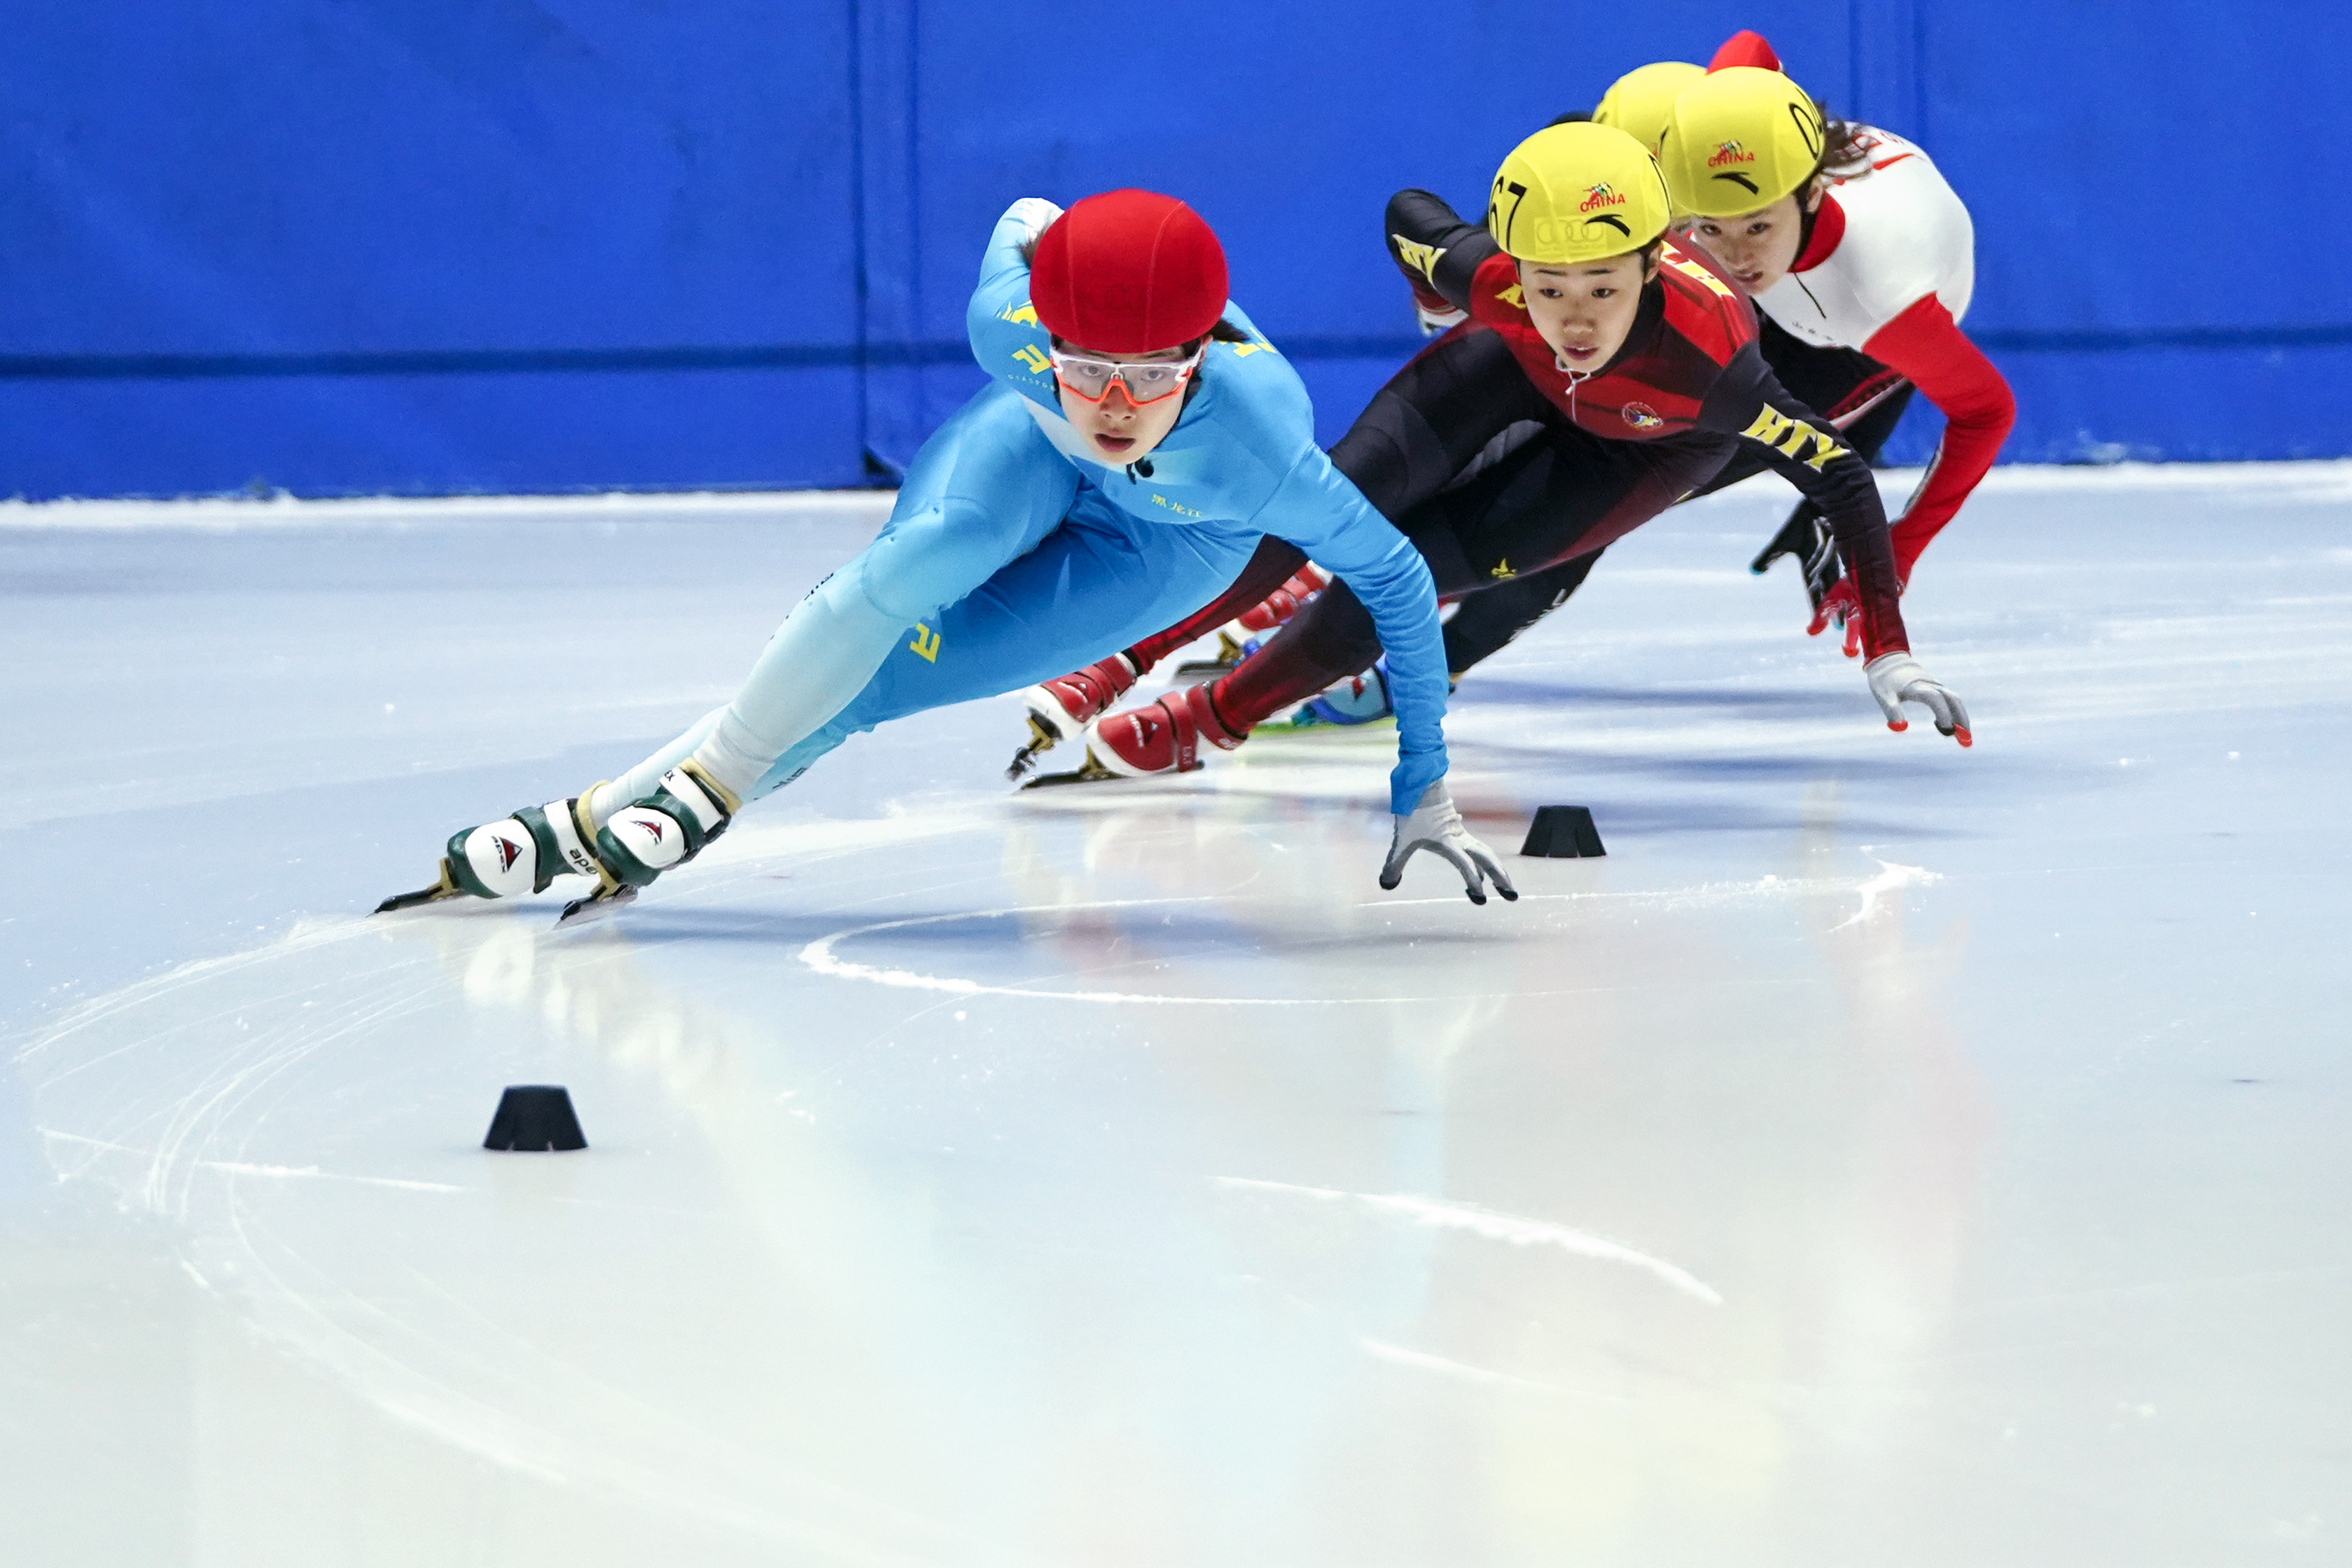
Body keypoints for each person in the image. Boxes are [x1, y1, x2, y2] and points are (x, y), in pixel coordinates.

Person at [379, 190, 1517, 919]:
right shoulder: (1011, 330)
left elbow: (1402, 585)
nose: (1117, 407)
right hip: (1032, 450)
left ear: (1198, 365)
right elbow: (1026, 217)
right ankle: (703, 792)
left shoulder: (1263, 455)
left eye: (1151, 379)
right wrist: (1058, 248)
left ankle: (605, 818)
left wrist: (1424, 781)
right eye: (1090, 368)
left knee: (888, 683)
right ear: (1047, 337)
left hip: (1175, 544)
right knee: (918, 564)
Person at [1026, 122, 1967, 790]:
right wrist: (1444, 306)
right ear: (1515, 273)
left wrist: (1887, 645)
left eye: (1604, 287)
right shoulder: (1494, 282)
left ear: (1654, 265)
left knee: (1401, 576)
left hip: (1644, 448)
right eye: (1551, 287)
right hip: (1507, 369)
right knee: (1329, 500)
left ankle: (1215, 718)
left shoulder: (1716, 366)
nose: (1578, 318)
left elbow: (1839, 469)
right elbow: (1408, 212)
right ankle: (1128, 655)